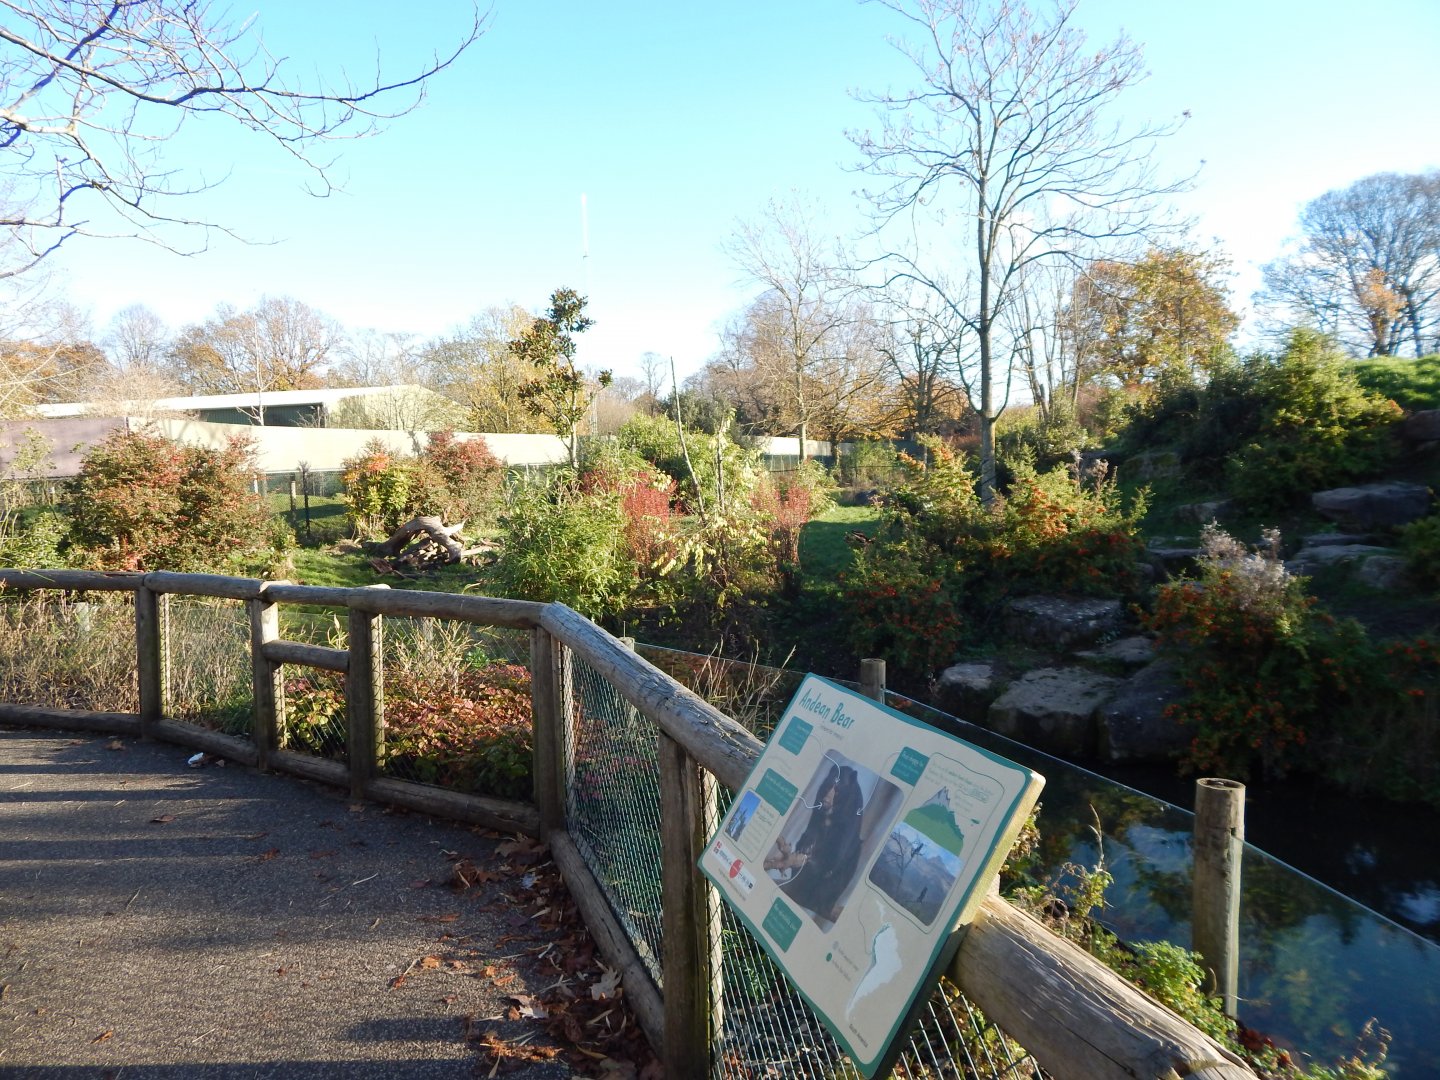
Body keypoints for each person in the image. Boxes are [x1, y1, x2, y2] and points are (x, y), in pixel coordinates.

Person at [764, 763, 866, 922]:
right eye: (828, 789)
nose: (828, 796)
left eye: (836, 792)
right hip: (810, 865)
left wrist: (813, 863)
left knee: (829, 865)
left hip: (832, 872)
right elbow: (812, 828)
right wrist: (803, 854)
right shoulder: (826, 791)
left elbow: (839, 852)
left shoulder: (851, 808)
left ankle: (819, 901)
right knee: (805, 841)